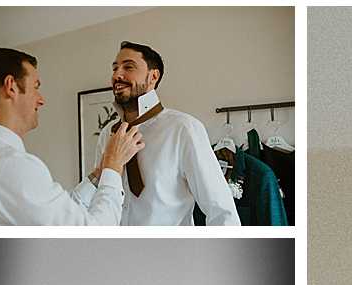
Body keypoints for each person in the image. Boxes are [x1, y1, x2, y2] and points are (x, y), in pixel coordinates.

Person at [0, 47, 144, 226]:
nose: (41, 99)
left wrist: (98, 175)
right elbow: (92, 234)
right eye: (35, 87)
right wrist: (113, 168)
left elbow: (54, 214)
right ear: (11, 87)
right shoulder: (13, 167)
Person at [81, 42, 238, 226]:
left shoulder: (183, 128)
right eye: (114, 69)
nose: (117, 75)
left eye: (128, 67)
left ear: (153, 76)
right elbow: (100, 195)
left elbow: (221, 210)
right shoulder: (108, 134)